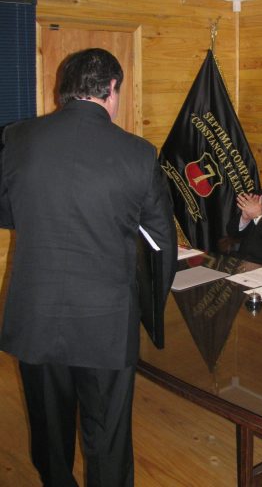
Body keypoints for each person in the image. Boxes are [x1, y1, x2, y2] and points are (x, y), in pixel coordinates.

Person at [0, 48, 177, 487]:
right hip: (106, 321)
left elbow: (6, 212)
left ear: (65, 88)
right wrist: (149, 310)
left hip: (37, 314)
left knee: (48, 430)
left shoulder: (17, 137)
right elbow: (161, 244)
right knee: (108, 437)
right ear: (112, 89)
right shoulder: (139, 153)